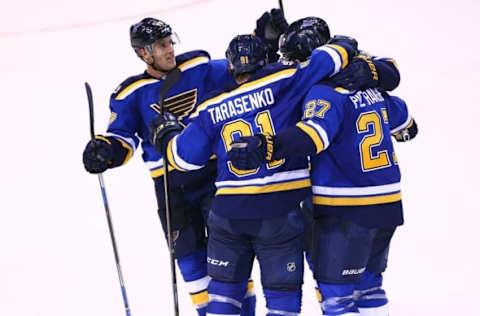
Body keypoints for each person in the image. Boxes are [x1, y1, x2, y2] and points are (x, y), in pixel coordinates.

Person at [80, 15, 293, 315]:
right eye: (160, 46)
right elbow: (122, 138)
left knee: (231, 264)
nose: (169, 50)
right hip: (170, 189)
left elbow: (242, 69)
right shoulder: (129, 93)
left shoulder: (199, 67)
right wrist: (105, 151)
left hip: (213, 178)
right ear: (144, 53)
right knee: (193, 268)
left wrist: (264, 39)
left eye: (170, 42)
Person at [149, 33, 356, 316]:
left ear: (231, 67)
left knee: (223, 302)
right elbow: (335, 56)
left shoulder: (210, 107)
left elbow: (183, 159)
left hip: (226, 218)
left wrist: (167, 134)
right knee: (282, 305)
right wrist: (340, 42)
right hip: (278, 215)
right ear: (267, 60)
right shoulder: (288, 80)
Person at [226, 30, 418, 316]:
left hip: (347, 210)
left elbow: (314, 136)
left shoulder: (322, 92)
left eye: (294, 60)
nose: (293, 68)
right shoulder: (373, 87)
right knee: (369, 288)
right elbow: (409, 128)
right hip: (387, 206)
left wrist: (269, 146)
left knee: (337, 299)